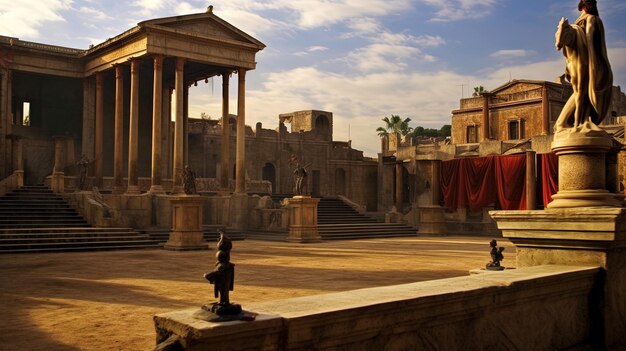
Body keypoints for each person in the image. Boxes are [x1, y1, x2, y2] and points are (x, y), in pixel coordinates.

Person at [554, 0, 612, 131]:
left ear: (582, 6)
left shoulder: (576, 23)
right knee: (581, 92)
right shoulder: (592, 19)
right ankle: (571, 123)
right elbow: (592, 43)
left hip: (576, 63)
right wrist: (594, 64)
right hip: (588, 62)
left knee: (580, 93)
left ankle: (572, 122)